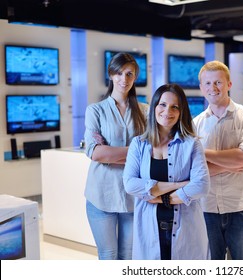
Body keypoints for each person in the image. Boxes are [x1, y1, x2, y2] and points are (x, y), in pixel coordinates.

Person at [123, 83, 210, 260]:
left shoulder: (192, 144)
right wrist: (178, 185)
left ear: (181, 112)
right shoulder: (138, 144)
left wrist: (161, 198)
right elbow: (130, 184)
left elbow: (201, 186)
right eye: (162, 105)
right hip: (149, 228)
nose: (167, 111)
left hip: (187, 229)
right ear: (154, 106)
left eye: (174, 107)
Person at [193, 60, 243, 260]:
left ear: (229, 84)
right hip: (207, 208)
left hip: (241, 207)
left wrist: (203, 153)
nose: (212, 88)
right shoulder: (195, 124)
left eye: (218, 82)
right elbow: (194, 170)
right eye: (207, 83)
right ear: (201, 88)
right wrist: (230, 163)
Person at [84, 52, 148, 260]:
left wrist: (113, 155)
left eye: (129, 74)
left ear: (135, 77)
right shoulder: (95, 111)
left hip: (133, 196)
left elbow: (151, 152)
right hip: (101, 194)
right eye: (119, 73)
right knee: (108, 255)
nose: (124, 79)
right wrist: (136, 152)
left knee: (128, 256)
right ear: (111, 75)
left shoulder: (145, 111)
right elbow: (96, 153)